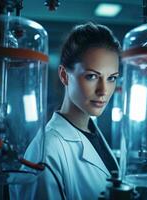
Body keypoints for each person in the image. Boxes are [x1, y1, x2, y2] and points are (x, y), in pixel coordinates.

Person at [11, 22, 121, 200]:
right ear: (64, 75)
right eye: (92, 76)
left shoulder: (92, 133)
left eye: (111, 78)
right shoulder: (47, 151)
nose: (104, 90)